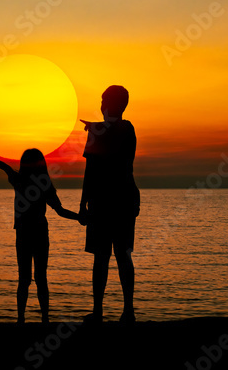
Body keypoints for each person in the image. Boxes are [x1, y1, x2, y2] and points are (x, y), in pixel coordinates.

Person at [0, 149, 80, 324]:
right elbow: (60, 211)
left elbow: (6, 169)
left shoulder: (20, 180)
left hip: (24, 233)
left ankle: (22, 319)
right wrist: (80, 218)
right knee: (40, 277)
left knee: (25, 278)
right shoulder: (44, 184)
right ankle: (44, 319)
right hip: (39, 233)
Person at [79, 85, 139, 324]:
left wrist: (83, 202)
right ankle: (112, 311)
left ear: (115, 104)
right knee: (108, 257)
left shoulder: (123, 129)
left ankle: (116, 311)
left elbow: (90, 169)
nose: (101, 104)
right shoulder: (113, 129)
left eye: (104, 100)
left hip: (108, 202)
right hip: (118, 201)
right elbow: (91, 168)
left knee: (110, 256)